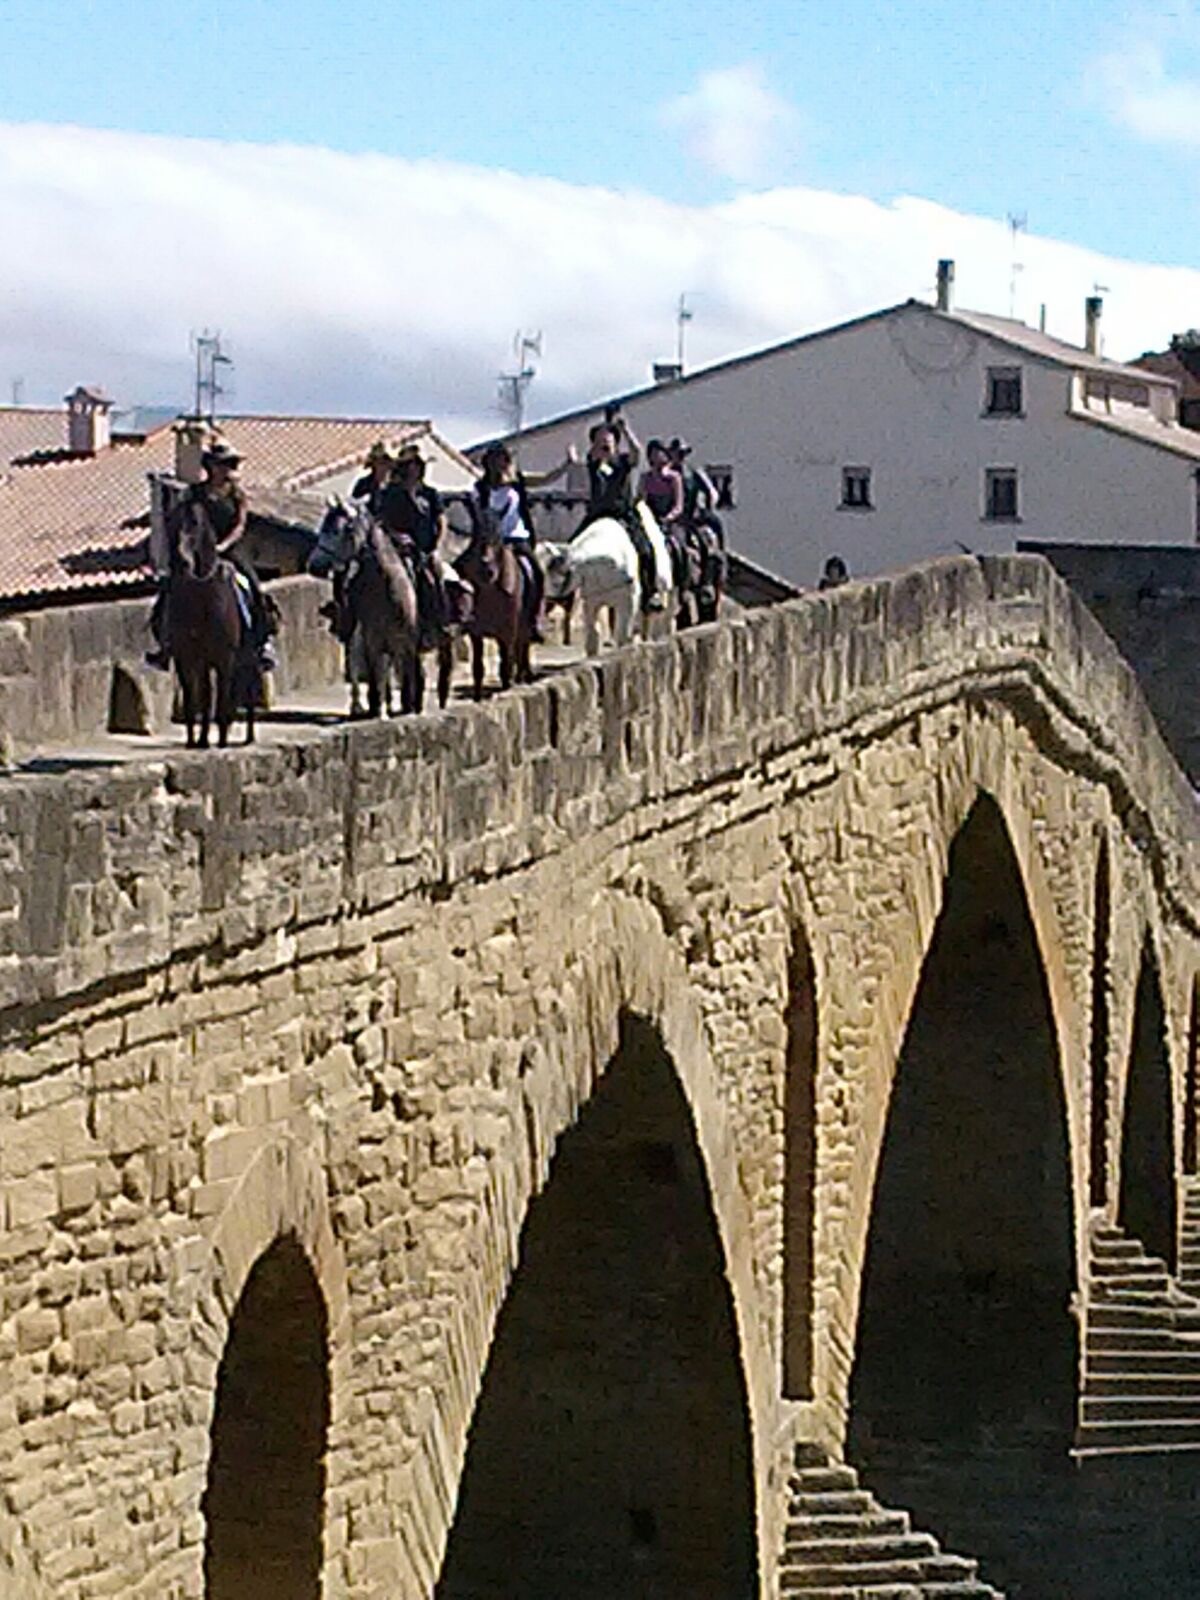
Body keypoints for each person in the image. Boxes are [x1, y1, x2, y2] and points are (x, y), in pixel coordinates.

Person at [145, 438, 276, 671]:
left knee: (253, 587)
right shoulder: (194, 494)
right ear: (211, 467)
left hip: (230, 552)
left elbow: (239, 526)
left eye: (231, 465)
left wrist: (222, 547)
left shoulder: (237, 496)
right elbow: (184, 523)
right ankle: (165, 644)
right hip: (197, 551)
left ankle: (261, 643)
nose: (228, 470)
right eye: (224, 464)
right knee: (168, 588)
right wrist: (187, 549)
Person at [474, 442, 575, 640]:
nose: (499, 465)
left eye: (503, 460)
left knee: (536, 572)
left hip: (517, 538)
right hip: (490, 541)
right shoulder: (480, 489)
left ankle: (536, 618)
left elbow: (546, 479)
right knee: (464, 569)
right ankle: (466, 617)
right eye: (495, 460)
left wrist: (566, 465)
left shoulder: (517, 482)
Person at [580, 412, 663, 610]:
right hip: (596, 516)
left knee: (645, 549)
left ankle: (651, 593)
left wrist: (625, 430)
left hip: (622, 515)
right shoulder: (593, 464)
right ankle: (565, 596)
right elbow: (592, 456)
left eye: (608, 440)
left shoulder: (623, 461)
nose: (604, 444)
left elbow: (637, 454)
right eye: (600, 440)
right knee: (572, 549)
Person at [378, 443, 449, 645]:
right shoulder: (391, 493)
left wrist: (436, 546)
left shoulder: (430, 494)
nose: (413, 469)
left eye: (416, 465)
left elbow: (441, 520)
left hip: (426, 550)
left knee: (435, 578)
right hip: (397, 550)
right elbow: (382, 521)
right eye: (409, 465)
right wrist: (396, 536)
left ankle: (439, 622)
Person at [668, 438, 724, 546]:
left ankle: (719, 552)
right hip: (674, 515)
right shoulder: (667, 473)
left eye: (682, 454)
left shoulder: (693, 472)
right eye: (677, 453)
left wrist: (707, 509)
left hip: (693, 514)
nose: (680, 457)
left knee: (716, 524)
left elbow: (711, 492)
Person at [638, 439, 684, 527]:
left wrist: (668, 518)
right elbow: (641, 500)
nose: (657, 456)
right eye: (653, 453)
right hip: (651, 520)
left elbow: (678, 506)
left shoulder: (674, 477)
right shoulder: (646, 478)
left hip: (671, 521)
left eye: (659, 452)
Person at [351, 441, 393, 517]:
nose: (383, 468)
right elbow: (352, 501)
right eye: (379, 463)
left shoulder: (392, 484)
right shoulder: (363, 483)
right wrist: (364, 500)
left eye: (385, 463)